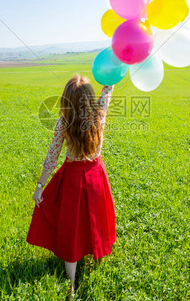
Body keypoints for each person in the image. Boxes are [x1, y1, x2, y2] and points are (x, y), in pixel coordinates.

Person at [26, 74, 116, 297]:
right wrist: (119, 59)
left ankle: (71, 285)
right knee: (96, 219)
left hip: (73, 180)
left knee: (72, 229)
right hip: (96, 175)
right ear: (90, 98)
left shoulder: (62, 123)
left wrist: (40, 185)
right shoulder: (100, 113)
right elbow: (109, 86)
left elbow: (52, 157)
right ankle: (98, 259)